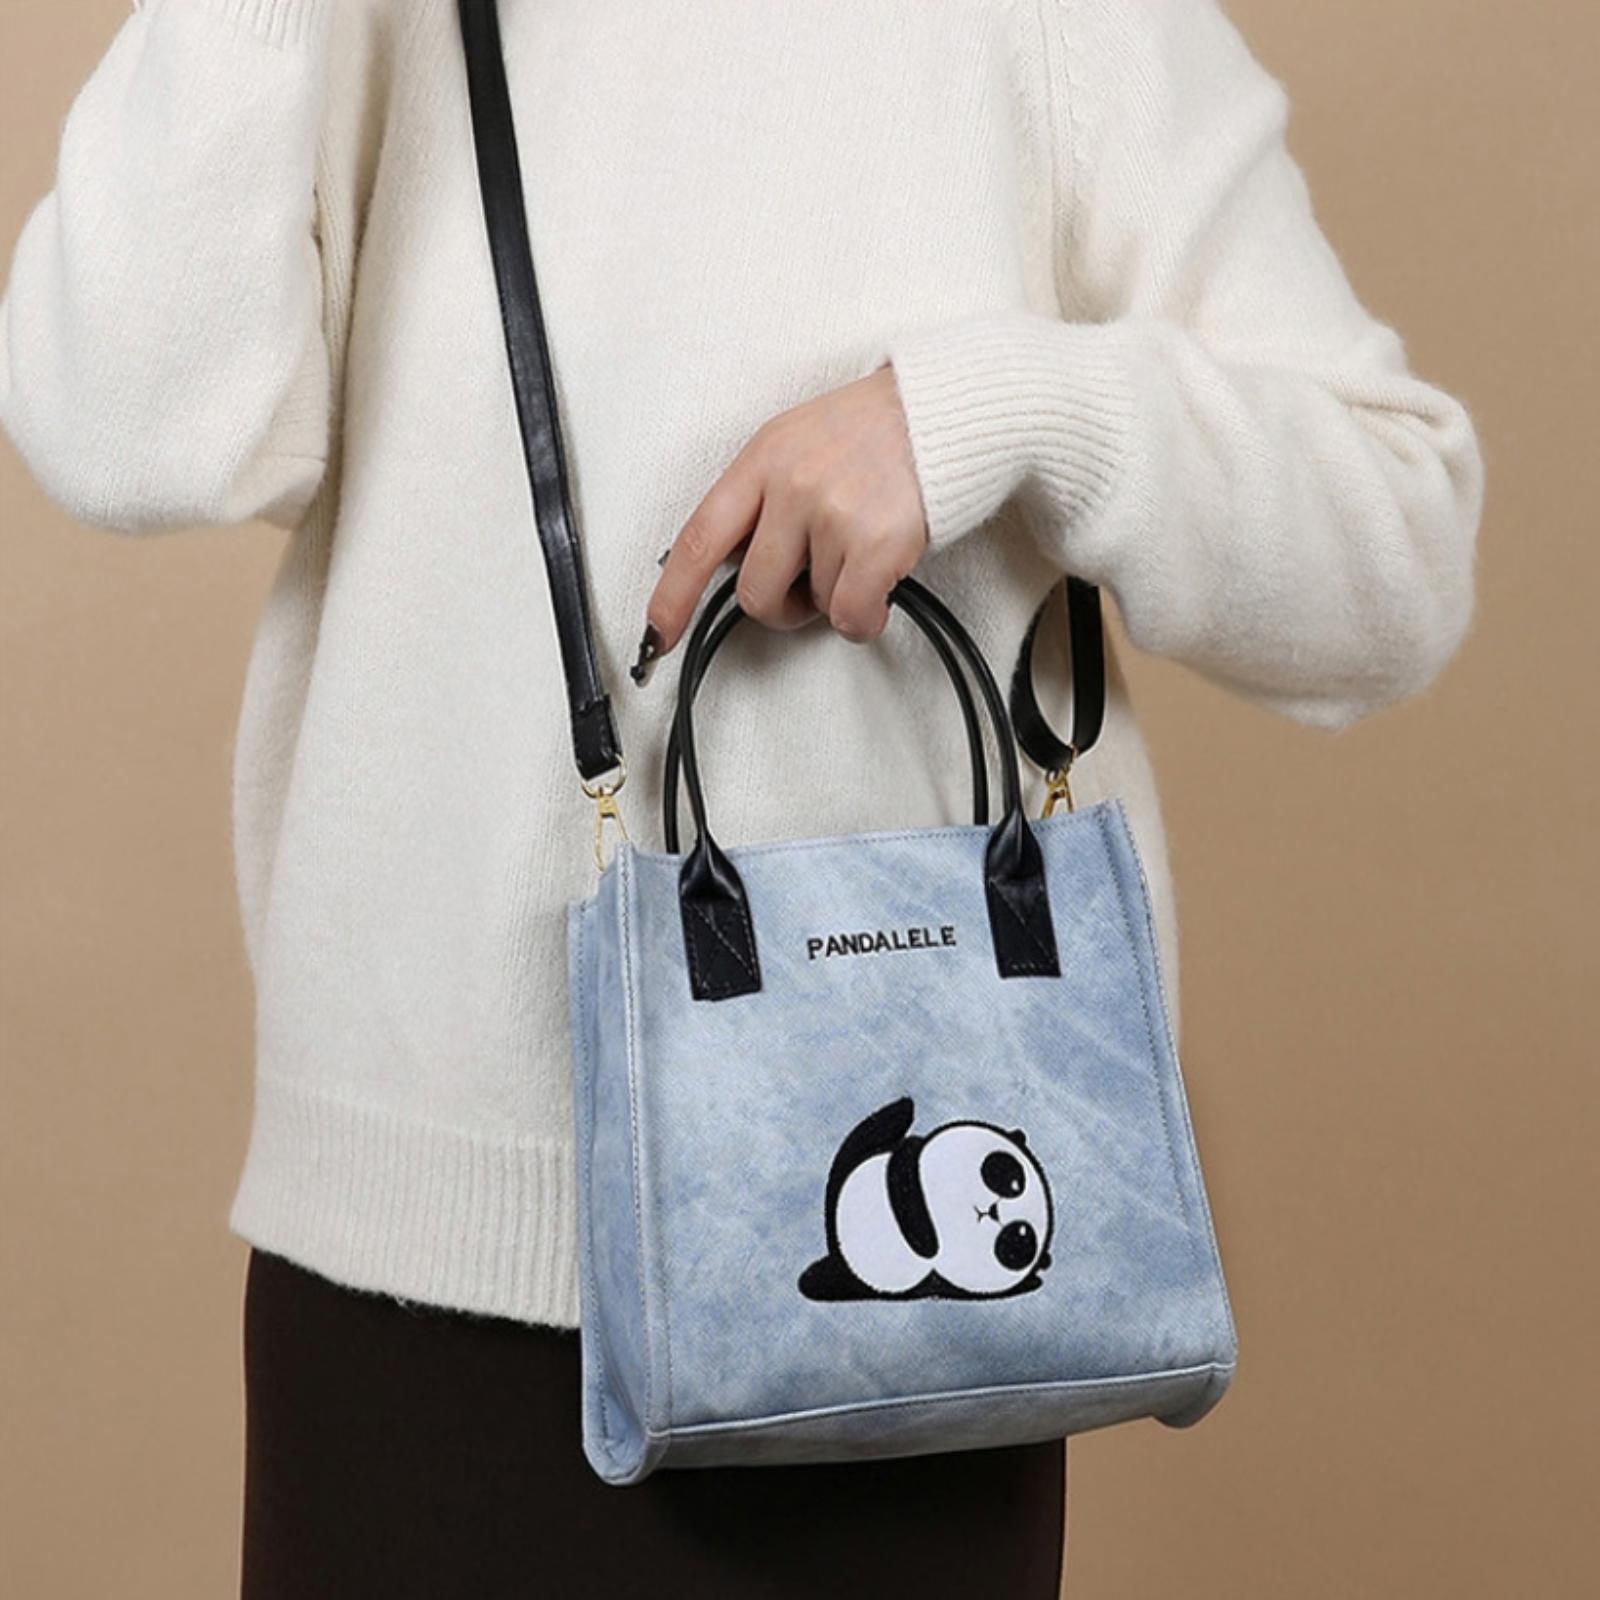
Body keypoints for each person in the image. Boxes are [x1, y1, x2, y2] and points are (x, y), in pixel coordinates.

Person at [0, 1, 1483, 1594]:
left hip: (912, 1295)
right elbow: (125, 436)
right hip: (412, 1269)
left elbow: (1394, 551)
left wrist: (991, 417)